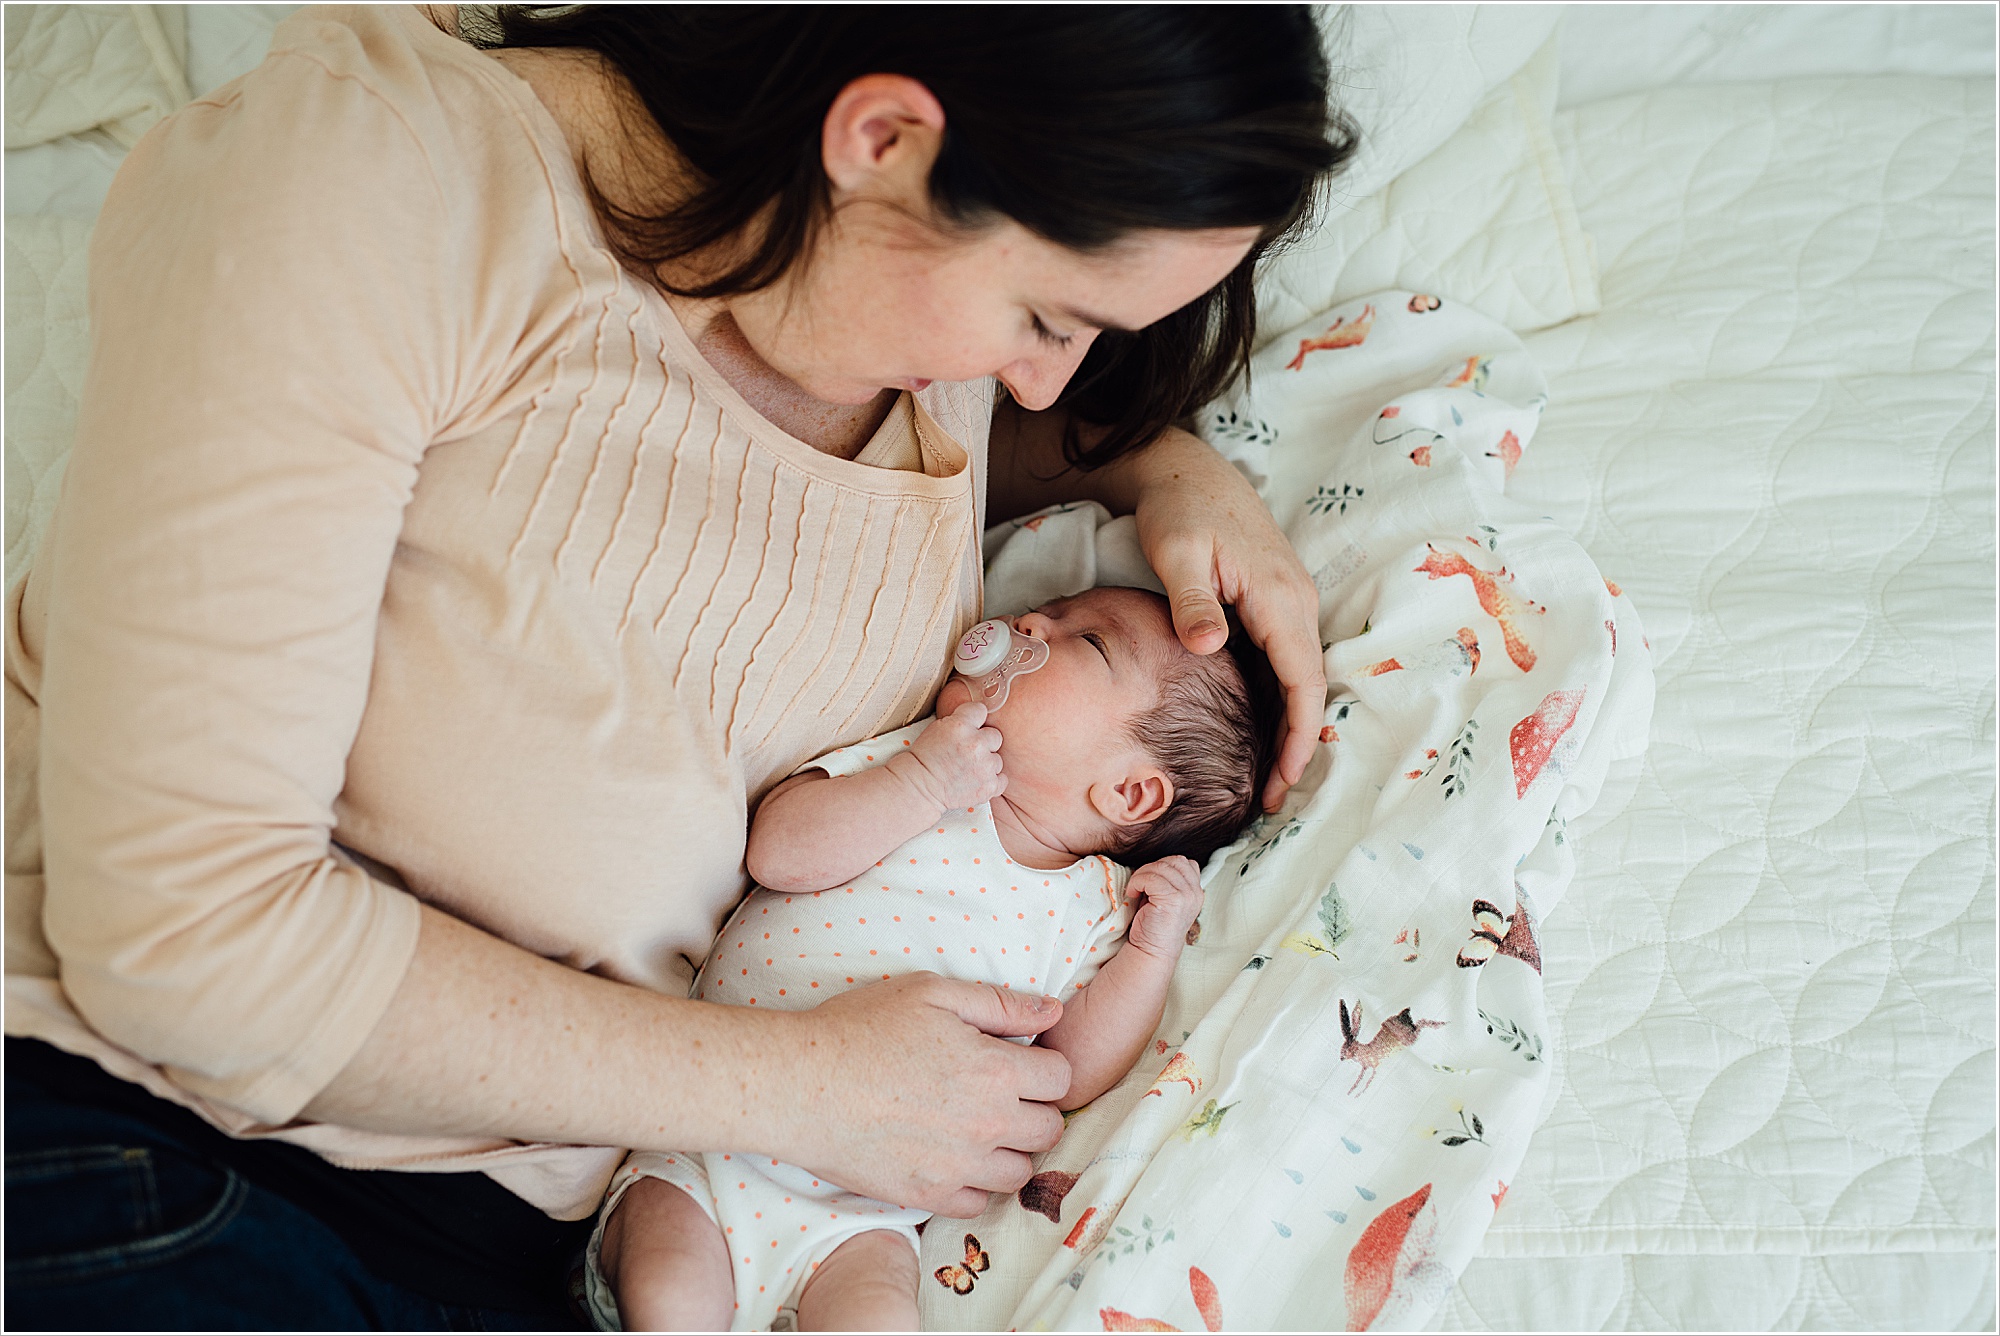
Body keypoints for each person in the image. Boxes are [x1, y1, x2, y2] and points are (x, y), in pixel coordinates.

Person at [3, 5, 1355, 1328]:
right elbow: (183, 942)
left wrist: (1171, 468)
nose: (1047, 387)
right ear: (881, 140)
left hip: (534, 1263)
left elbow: (765, 471)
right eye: (1049, 316)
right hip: (157, 1146)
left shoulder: (889, 316)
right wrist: (802, 1091)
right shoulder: (381, 184)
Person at [590, 587, 1281, 1331]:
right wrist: (919, 783)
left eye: (1088, 641)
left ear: (1130, 792)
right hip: (708, 1128)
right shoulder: (921, 762)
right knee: (672, 1297)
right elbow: (779, 852)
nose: (1030, 621)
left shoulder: (1098, 910)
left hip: (860, 1208)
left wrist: (1152, 948)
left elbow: (1069, 1070)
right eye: (1053, 606)